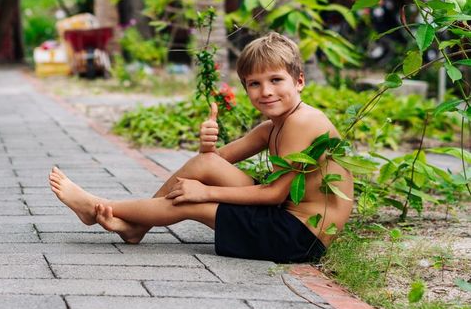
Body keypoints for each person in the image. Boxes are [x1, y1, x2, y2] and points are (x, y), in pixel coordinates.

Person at [49, 32, 354, 263]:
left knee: (192, 202)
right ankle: (136, 227)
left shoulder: (304, 122)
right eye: (254, 84)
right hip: (282, 217)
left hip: (297, 238)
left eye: (276, 80)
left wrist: (205, 193)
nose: (266, 91)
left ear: (299, 81)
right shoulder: (272, 127)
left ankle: (99, 208)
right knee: (201, 169)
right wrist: (206, 143)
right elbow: (211, 162)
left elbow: (275, 194)